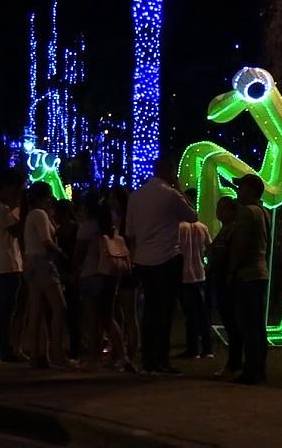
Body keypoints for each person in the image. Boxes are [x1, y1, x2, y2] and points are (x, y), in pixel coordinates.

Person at [126, 159, 198, 374]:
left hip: (143, 259)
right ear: (169, 172)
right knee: (165, 311)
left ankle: (148, 359)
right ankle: (161, 359)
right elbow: (193, 216)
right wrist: (178, 188)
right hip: (167, 258)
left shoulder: (135, 196)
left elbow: (130, 232)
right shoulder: (171, 194)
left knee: (149, 310)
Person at [75, 192, 134, 371]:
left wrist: (74, 272)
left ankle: (94, 357)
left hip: (92, 275)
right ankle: (120, 355)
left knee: (92, 318)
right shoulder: (109, 226)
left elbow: (78, 254)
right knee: (108, 317)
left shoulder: (87, 227)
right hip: (110, 275)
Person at [23, 182, 70, 368]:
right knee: (59, 307)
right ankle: (57, 353)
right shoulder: (40, 214)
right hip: (43, 263)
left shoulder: (31, 215)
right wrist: (63, 255)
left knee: (36, 311)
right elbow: (46, 241)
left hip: (32, 264)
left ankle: (37, 354)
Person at [229, 174, 271, 384]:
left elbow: (240, 246)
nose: (238, 191)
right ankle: (258, 368)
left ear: (251, 190)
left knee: (247, 324)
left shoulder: (247, 213)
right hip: (260, 272)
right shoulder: (263, 212)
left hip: (247, 274)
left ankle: (251, 370)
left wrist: (231, 269)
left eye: (242, 187)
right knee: (257, 325)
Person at [0, 168, 26, 362]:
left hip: (0, 263)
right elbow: (17, 230)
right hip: (8, 264)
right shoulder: (0, 209)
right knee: (6, 309)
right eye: (17, 190)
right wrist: (21, 209)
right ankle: (2, 347)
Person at [177, 190, 213, 359]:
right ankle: (207, 348)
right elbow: (209, 248)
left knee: (190, 313)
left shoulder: (179, 227)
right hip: (200, 274)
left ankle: (193, 348)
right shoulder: (202, 227)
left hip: (184, 275)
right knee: (202, 312)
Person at [208, 197, 241, 378]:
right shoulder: (224, 230)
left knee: (233, 324)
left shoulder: (233, 230)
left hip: (228, 282)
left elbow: (227, 254)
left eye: (223, 208)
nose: (219, 211)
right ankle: (234, 362)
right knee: (230, 323)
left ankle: (234, 363)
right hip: (221, 280)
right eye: (218, 207)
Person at [106, 188, 140, 367]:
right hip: (117, 268)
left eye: (113, 198)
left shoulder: (127, 221)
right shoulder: (115, 220)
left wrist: (131, 262)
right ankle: (119, 351)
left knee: (128, 313)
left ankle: (131, 351)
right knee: (117, 312)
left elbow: (133, 243)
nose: (110, 201)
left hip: (126, 268)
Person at [54, 199, 81, 360]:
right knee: (72, 312)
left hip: (69, 273)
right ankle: (74, 346)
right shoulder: (63, 229)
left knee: (73, 313)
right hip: (66, 273)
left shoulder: (70, 229)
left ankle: (75, 347)